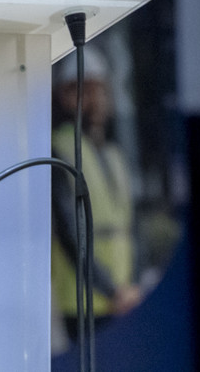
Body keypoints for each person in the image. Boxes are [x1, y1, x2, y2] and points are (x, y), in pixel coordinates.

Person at [49, 48, 142, 340]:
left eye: (100, 89)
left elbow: (132, 227)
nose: (96, 99)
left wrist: (132, 287)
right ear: (65, 96)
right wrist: (111, 289)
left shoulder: (114, 155)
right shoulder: (59, 150)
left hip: (124, 298)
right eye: (85, 89)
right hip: (83, 301)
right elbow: (69, 232)